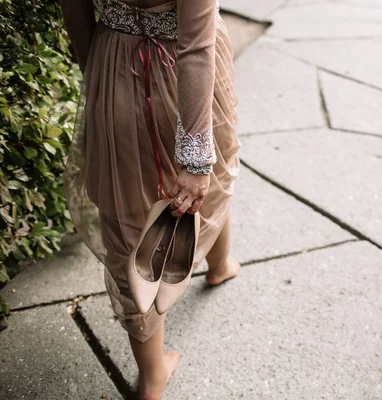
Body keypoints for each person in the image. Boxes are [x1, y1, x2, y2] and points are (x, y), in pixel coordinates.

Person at [59, 1, 241, 398]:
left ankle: (153, 373)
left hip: (114, 64)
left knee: (126, 217)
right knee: (209, 176)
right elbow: (196, 46)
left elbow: (73, 8)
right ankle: (219, 266)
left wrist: (98, 73)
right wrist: (195, 158)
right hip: (184, 79)